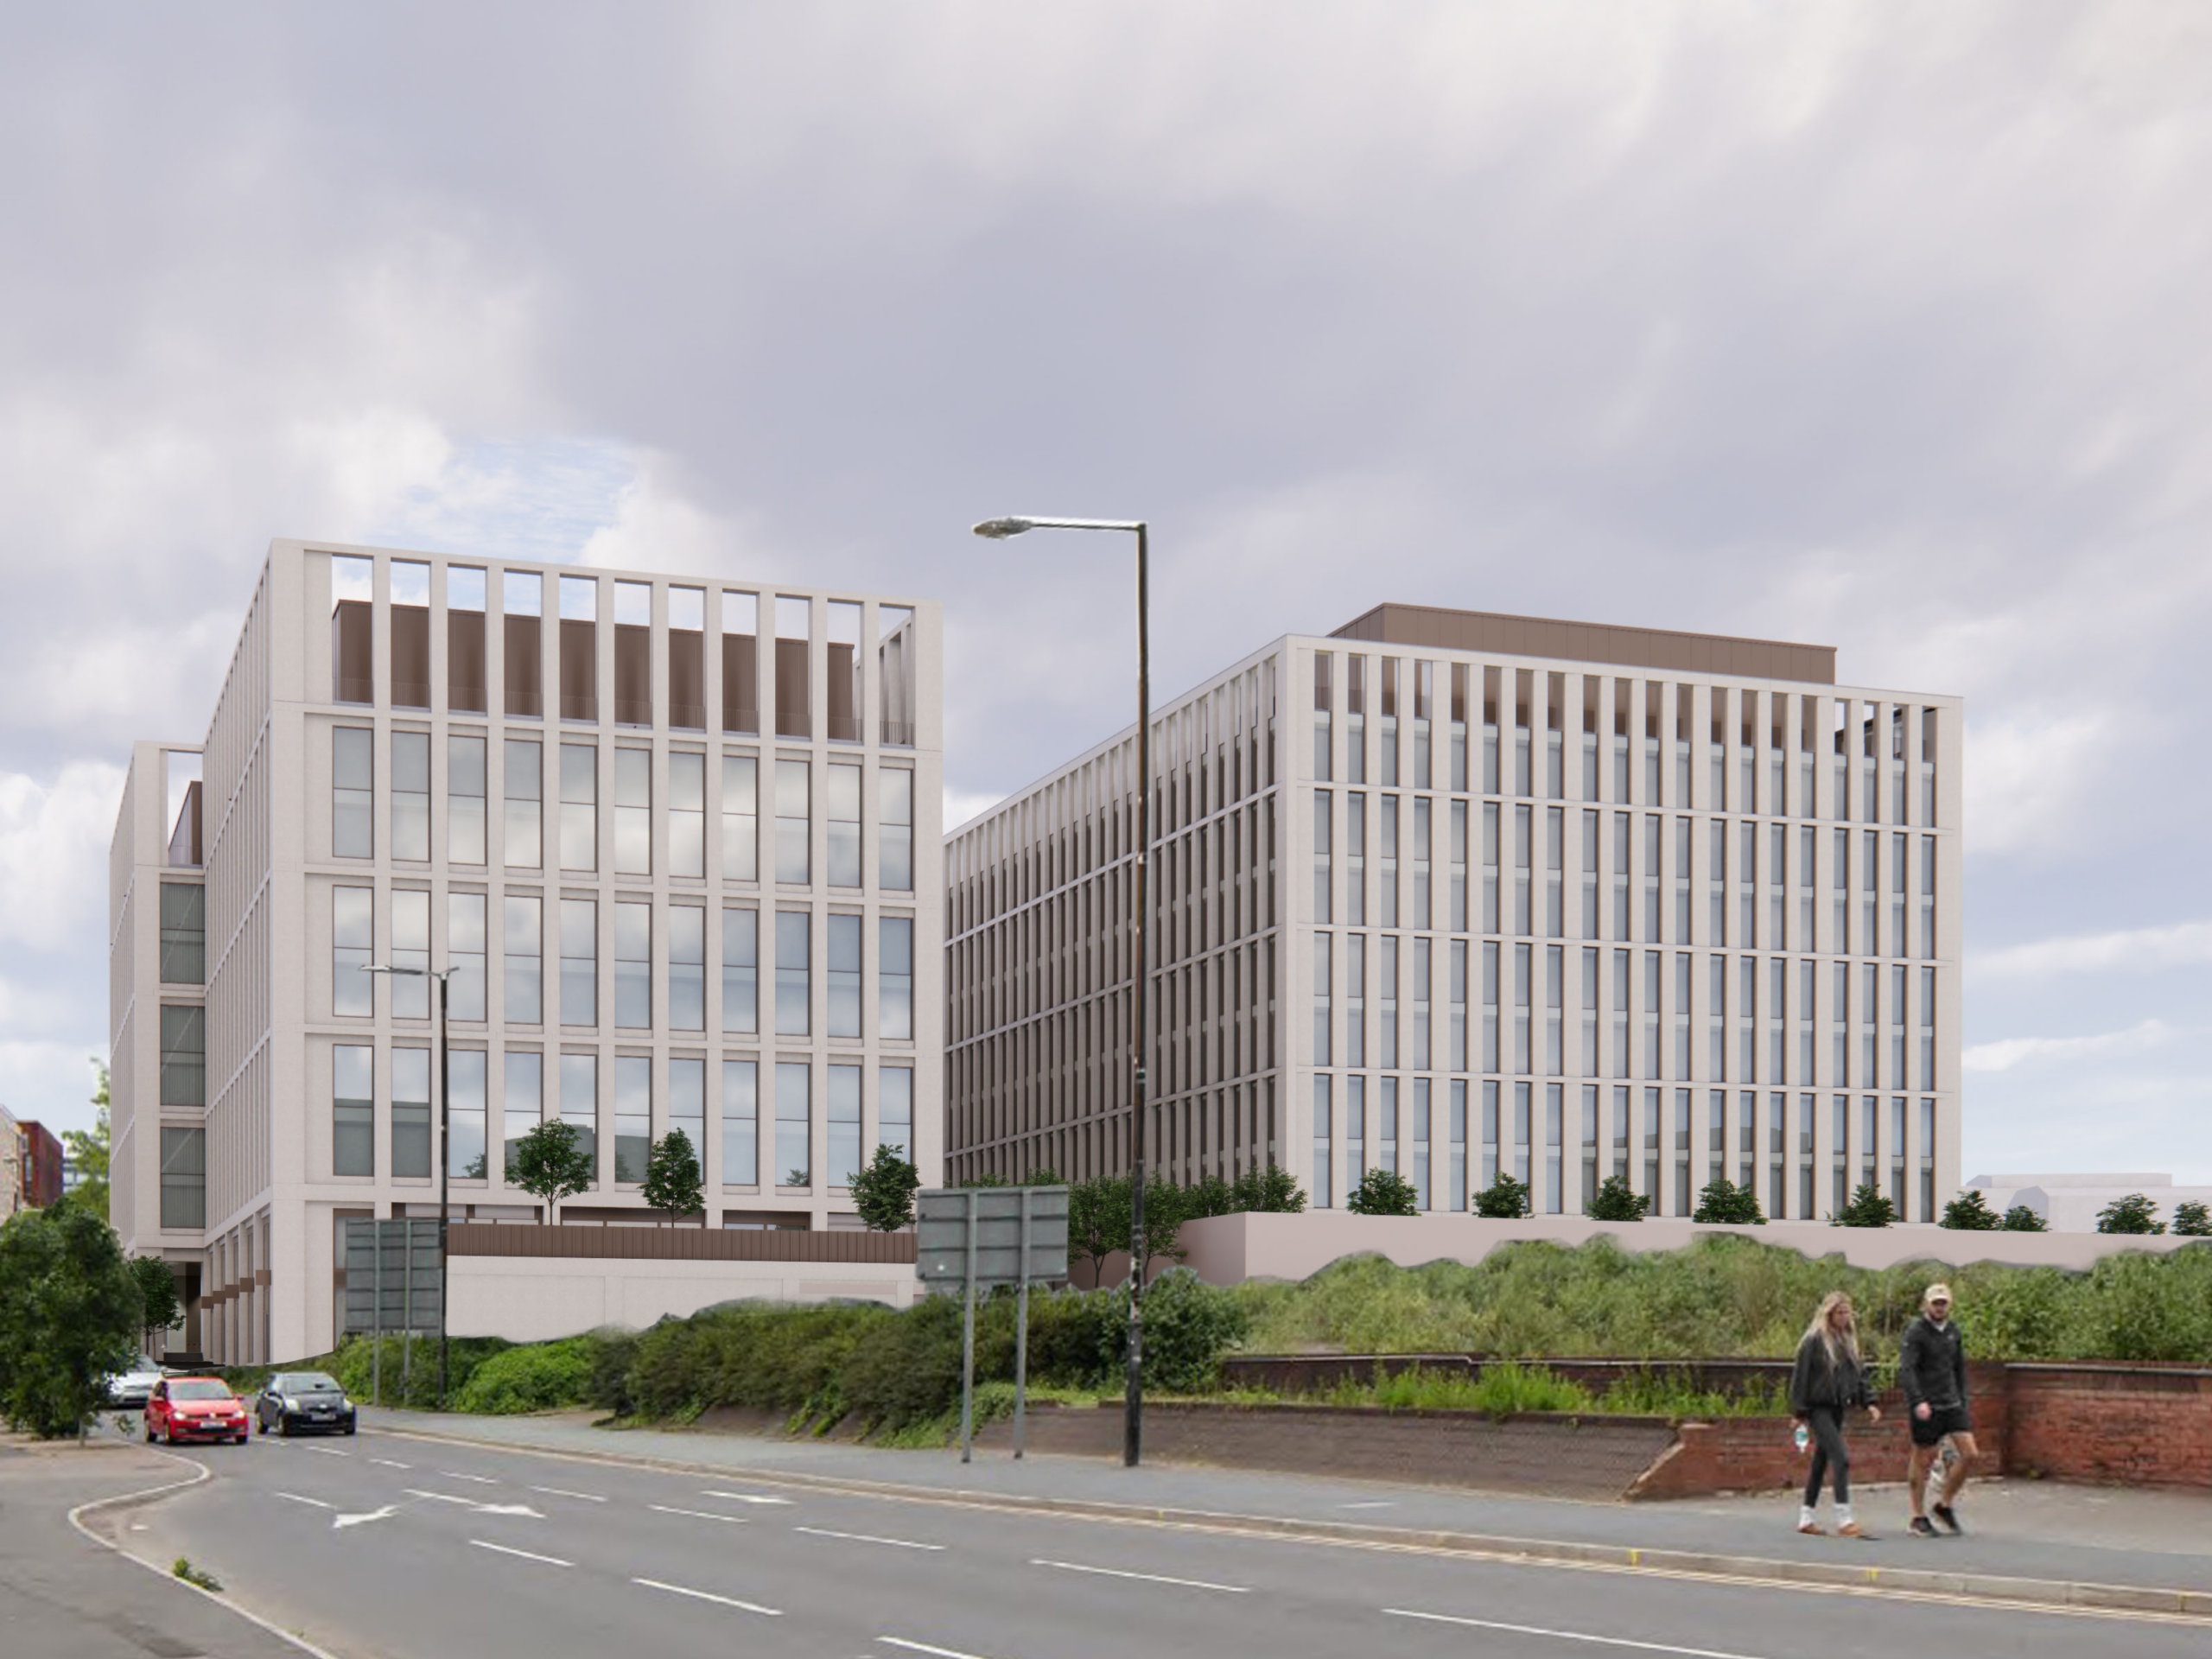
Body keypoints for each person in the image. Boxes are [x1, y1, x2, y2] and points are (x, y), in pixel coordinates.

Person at [1789, 1290, 1879, 1536]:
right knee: (1841, 1458)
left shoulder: (1848, 1340)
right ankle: (1844, 1519)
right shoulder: (1814, 1340)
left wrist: (1869, 1402)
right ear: (1828, 1314)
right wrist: (1799, 1413)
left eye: (1847, 1312)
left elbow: (1859, 1376)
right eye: (1839, 1313)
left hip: (1838, 1407)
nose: (1844, 1317)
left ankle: (1805, 1518)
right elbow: (1801, 1377)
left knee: (1820, 1462)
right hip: (1818, 1408)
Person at [1899, 1281, 1975, 1536]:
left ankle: (1944, 1505)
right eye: (1935, 1303)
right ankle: (1917, 1516)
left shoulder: (1954, 1331)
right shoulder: (1916, 1332)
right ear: (1926, 1304)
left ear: (1949, 1304)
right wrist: (1918, 1401)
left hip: (1952, 1403)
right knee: (1923, 1459)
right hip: (1926, 1406)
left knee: (1970, 1454)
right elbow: (1907, 1370)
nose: (1939, 1307)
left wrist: (1963, 1399)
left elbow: (1958, 1369)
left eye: (1943, 1302)